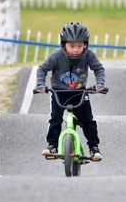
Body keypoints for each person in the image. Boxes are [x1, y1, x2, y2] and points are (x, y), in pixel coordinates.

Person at [35, 21, 105, 161]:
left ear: (85, 44)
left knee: (88, 121)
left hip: (80, 93)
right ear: (63, 44)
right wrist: (41, 85)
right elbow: (42, 69)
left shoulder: (88, 55)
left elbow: (98, 69)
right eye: (72, 46)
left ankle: (94, 147)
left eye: (79, 46)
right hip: (59, 93)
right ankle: (52, 145)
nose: (75, 49)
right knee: (55, 119)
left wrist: (100, 84)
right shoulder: (56, 56)